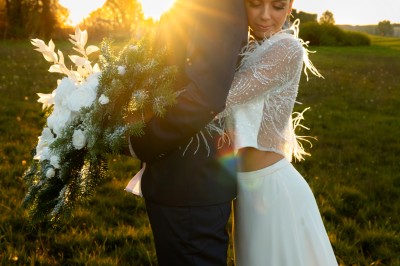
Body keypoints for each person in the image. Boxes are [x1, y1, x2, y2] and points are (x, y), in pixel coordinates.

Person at [126, 0, 248, 265]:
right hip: (175, 182)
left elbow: (205, 97)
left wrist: (140, 141)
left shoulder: (220, 7)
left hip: (192, 186)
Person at [218, 0, 339, 265]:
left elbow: (221, 98)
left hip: (273, 191)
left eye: (277, 6)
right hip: (248, 192)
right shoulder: (248, 47)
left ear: (290, 6)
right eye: (255, 4)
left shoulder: (286, 48)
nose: (264, 16)